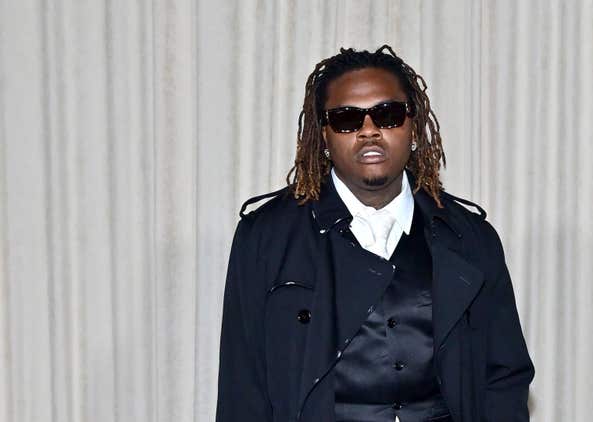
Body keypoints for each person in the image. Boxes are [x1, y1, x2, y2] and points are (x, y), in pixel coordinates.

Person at [216, 45, 534, 422]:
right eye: (347, 119)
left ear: (413, 127)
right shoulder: (266, 239)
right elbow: (243, 389)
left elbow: (504, 377)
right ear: (324, 136)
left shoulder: (470, 238)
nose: (369, 131)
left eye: (388, 114)